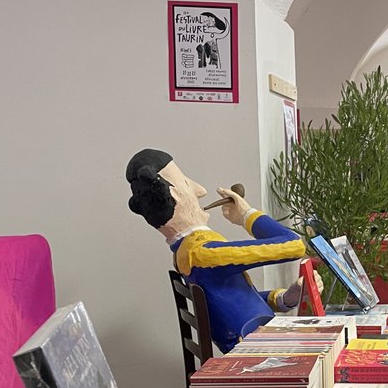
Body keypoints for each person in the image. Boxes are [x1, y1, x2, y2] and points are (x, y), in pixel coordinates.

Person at [125, 148, 314, 353]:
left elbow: (237, 300)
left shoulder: (186, 252)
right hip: (256, 351)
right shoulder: (204, 254)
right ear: (174, 196)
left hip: (260, 340)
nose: (200, 190)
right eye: (187, 183)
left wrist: (284, 298)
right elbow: (294, 246)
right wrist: (246, 215)